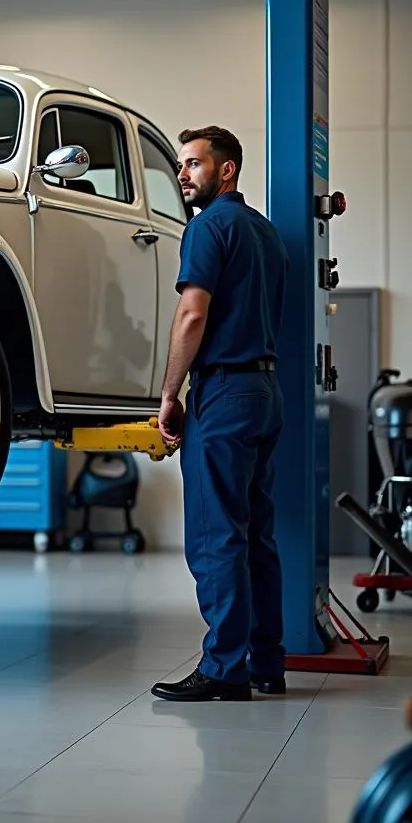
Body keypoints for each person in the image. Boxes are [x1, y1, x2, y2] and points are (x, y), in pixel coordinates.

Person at [150, 126, 290, 703]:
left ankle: (225, 668)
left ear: (226, 170)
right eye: (181, 165)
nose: (183, 174)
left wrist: (169, 394)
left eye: (192, 164)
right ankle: (266, 663)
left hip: (224, 395)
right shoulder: (267, 234)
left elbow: (191, 315)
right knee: (257, 535)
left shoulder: (209, 226)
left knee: (216, 537)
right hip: (265, 393)